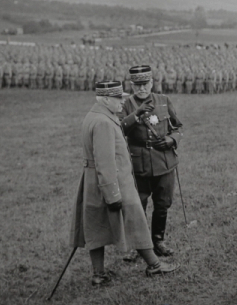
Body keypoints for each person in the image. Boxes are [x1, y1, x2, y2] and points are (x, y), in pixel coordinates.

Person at [69, 81, 179, 286]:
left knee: (96, 225)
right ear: (106, 99)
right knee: (135, 220)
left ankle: (98, 274)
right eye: (118, 98)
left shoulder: (96, 115)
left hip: (95, 181)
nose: (122, 102)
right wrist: (113, 195)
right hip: (115, 181)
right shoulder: (103, 122)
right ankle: (154, 265)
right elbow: (105, 161)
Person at [120, 65, 183, 260]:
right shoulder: (126, 104)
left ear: (152, 83)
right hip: (139, 163)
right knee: (138, 204)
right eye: (137, 85)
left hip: (164, 161)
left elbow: (178, 127)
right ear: (131, 85)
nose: (141, 89)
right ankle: (138, 245)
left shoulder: (164, 101)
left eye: (145, 84)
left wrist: (172, 140)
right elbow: (120, 128)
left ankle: (158, 240)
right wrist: (136, 114)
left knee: (163, 203)